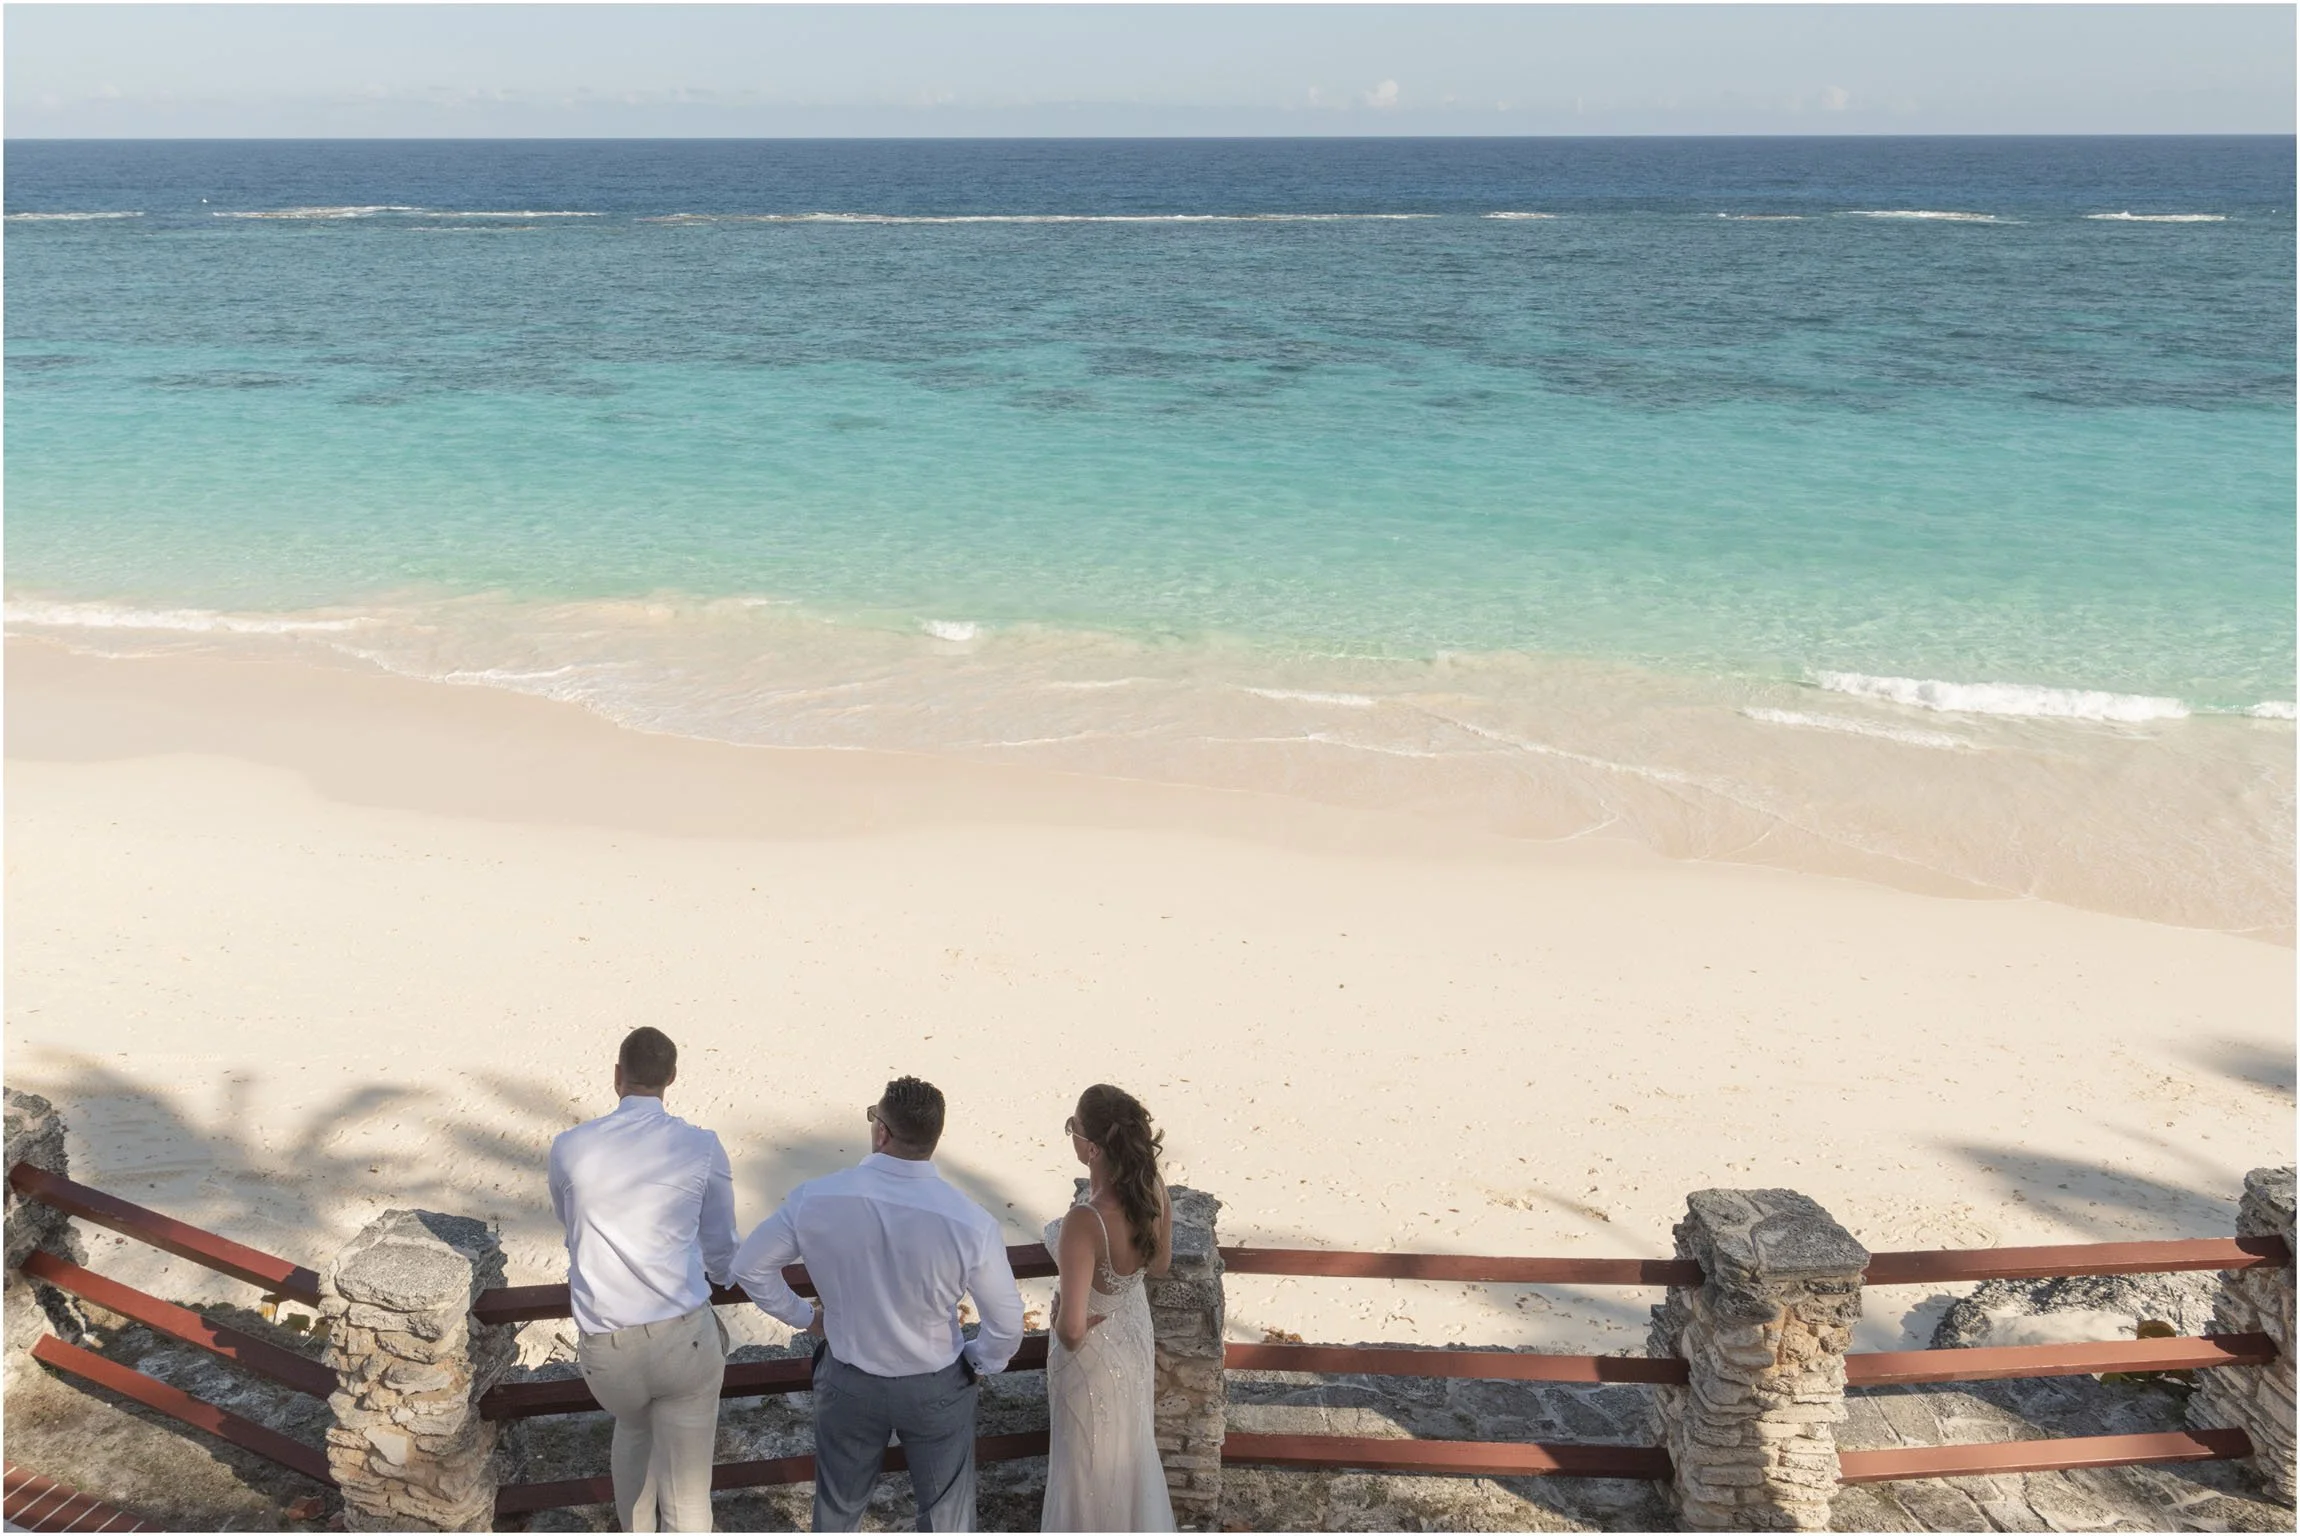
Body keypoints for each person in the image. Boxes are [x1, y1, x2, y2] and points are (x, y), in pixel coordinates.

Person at [732, 1077, 1024, 1533]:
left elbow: (751, 1267)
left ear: (882, 1132)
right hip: (935, 1383)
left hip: (850, 1378)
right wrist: (978, 1361)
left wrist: (807, 1318)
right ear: (934, 1138)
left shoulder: (817, 1198)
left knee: (838, 1512)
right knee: (946, 1517)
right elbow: (1006, 1323)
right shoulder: (970, 1221)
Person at [547, 1026, 739, 1533]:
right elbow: (721, 1247)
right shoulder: (701, 1146)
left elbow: (570, 1226)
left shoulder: (569, 1146)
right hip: (682, 1340)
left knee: (634, 1429)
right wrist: (721, 1275)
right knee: (687, 1496)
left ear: (618, 1076)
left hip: (609, 1353)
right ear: (671, 1078)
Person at [1041, 1084, 1177, 1533]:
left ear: (1092, 1148)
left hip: (1092, 1356)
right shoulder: (1152, 1189)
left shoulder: (1086, 1220)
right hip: (1132, 1337)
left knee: (1085, 1469)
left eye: (1073, 1128)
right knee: (1129, 1454)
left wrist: (1064, 1317)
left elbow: (1071, 1332)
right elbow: (1159, 1265)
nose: (1072, 1136)